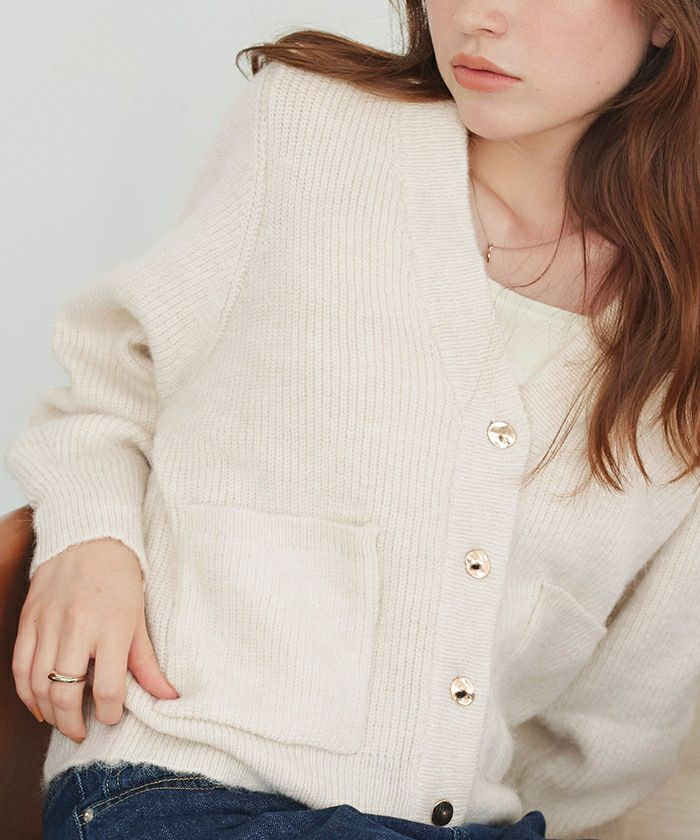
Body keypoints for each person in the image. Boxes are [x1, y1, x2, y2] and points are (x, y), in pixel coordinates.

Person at [5, 1, 699, 838]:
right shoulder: (315, 131)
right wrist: (90, 537)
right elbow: (113, 378)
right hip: (183, 788)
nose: (479, 17)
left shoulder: (680, 339)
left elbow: (626, 716)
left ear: (667, 18)